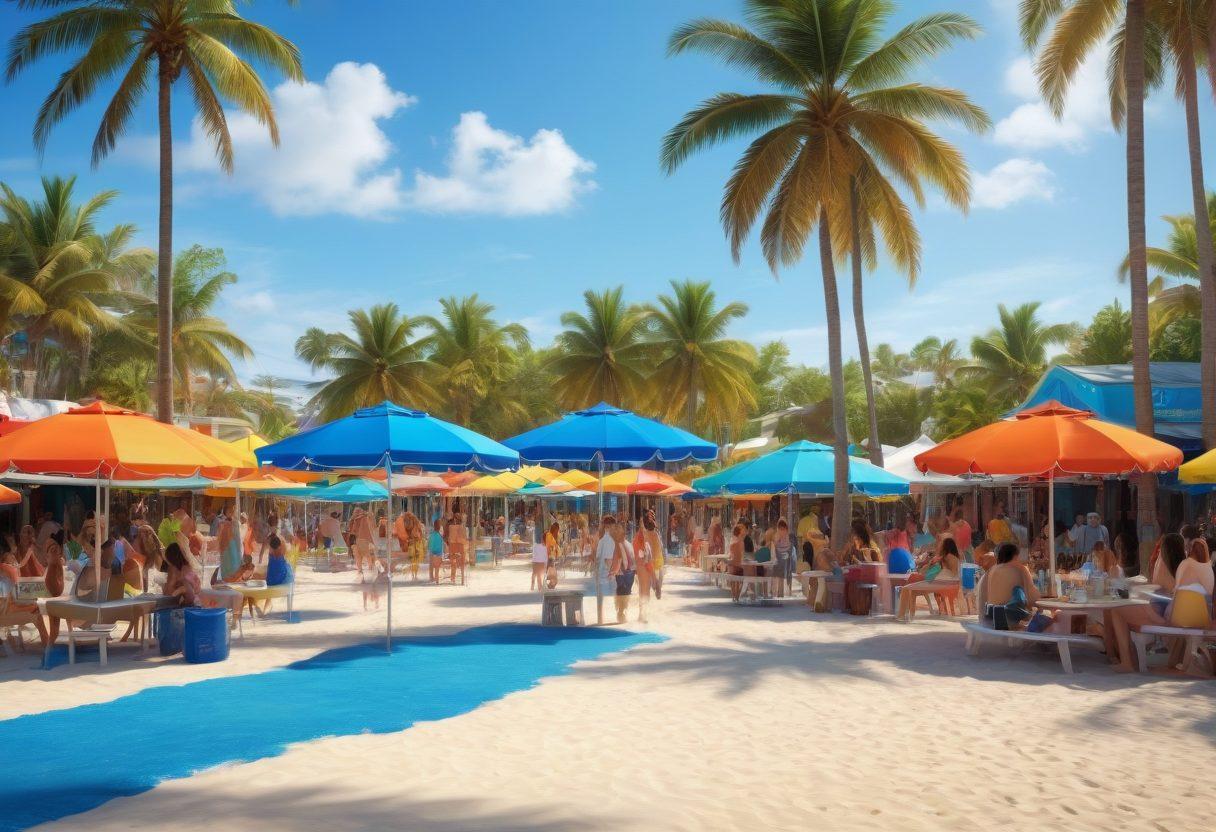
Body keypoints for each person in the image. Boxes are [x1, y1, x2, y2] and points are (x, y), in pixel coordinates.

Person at [1105, 533, 1211, 672]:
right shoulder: (1185, 565)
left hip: (1161, 612)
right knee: (1122, 605)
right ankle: (1128, 658)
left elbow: (1157, 585)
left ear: (1165, 550)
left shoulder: (1164, 565)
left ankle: (1126, 662)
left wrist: (1132, 587)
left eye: (1160, 549)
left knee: (1117, 609)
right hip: (1172, 610)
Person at [896, 538, 962, 622]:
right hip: (941, 582)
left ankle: (901, 615)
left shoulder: (948, 556)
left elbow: (952, 572)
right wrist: (932, 562)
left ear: (945, 546)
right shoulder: (951, 558)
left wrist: (939, 560)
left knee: (906, 588)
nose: (939, 546)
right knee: (912, 590)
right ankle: (910, 616)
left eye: (941, 544)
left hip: (941, 582)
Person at [605, 516, 637, 624]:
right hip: (623, 573)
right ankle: (621, 612)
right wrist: (613, 571)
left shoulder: (626, 544)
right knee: (623, 592)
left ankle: (622, 611)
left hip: (628, 572)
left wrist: (634, 570)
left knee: (625, 592)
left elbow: (630, 558)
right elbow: (617, 560)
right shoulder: (619, 545)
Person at [771, 518, 794, 597]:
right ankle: (777, 593)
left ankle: (782, 592)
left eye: (783, 529)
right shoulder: (776, 536)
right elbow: (774, 547)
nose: (782, 531)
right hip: (778, 557)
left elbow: (791, 548)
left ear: (786, 529)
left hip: (786, 557)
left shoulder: (789, 536)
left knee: (784, 574)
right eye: (780, 528)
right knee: (778, 574)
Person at [447, 512, 468, 584]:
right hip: (460, 545)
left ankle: (453, 578)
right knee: (461, 563)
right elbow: (465, 538)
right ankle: (462, 579)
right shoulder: (462, 527)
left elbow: (449, 538)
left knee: (453, 562)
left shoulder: (451, 527)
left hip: (453, 545)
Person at [530, 523, 551, 591]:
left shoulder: (535, 545)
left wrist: (533, 560)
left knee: (534, 574)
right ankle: (539, 587)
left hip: (536, 561)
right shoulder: (545, 547)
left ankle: (533, 586)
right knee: (538, 574)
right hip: (541, 561)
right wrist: (546, 564)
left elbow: (534, 554)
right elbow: (546, 556)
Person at [427, 519, 445, 583]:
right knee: (437, 565)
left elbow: (429, 545)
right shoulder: (440, 535)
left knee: (431, 564)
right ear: (439, 527)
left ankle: (431, 577)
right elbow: (442, 545)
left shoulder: (431, 535)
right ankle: (436, 577)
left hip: (432, 552)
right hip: (438, 553)